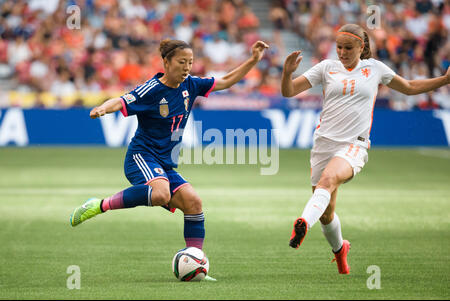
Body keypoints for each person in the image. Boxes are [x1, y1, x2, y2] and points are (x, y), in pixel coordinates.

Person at [70, 39, 269, 254]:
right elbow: (122, 100)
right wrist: (102, 108)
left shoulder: (191, 85)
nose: (186, 67)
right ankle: (99, 205)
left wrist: (253, 60)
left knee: (194, 203)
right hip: (141, 156)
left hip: (165, 164)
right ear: (166, 62)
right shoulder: (152, 89)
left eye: (190, 62)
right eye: (181, 62)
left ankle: (195, 260)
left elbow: (227, 81)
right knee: (161, 194)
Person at [281, 24, 449, 274]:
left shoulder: (375, 69)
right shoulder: (326, 67)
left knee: (328, 180)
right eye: (339, 47)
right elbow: (289, 91)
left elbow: (410, 87)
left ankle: (303, 222)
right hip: (323, 144)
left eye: (348, 47)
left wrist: (445, 80)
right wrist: (287, 73)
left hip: (354, 145)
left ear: (362, 47)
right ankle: (340, 251)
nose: (342, 52)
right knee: (327, 215)